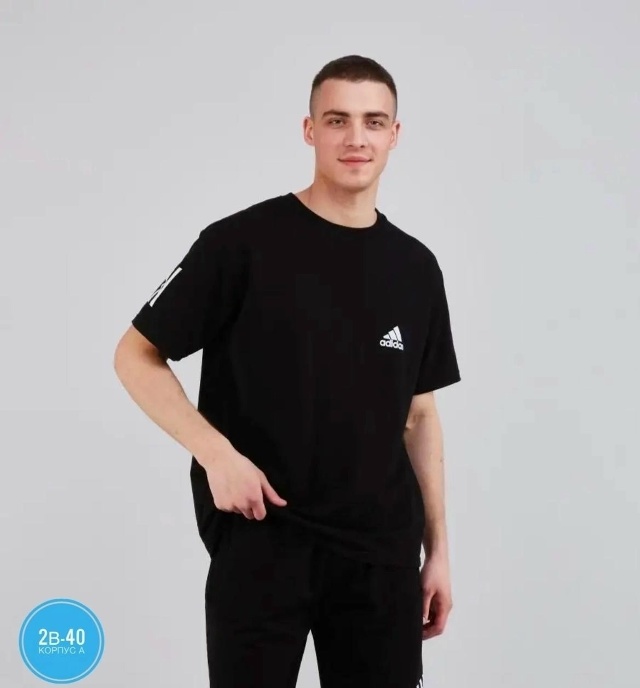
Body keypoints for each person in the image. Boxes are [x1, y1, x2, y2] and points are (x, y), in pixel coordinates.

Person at [114, 54, 461, 688]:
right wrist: (217, 455)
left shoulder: (416, 268)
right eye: (337, 120)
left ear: (394, 135)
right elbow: (135, 355)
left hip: (380, 554)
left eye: (373, 122)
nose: (356, 138)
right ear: (309, 130)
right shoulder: (239, 245)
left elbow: (419, 414)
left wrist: (437, 550)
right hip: (261, 540)